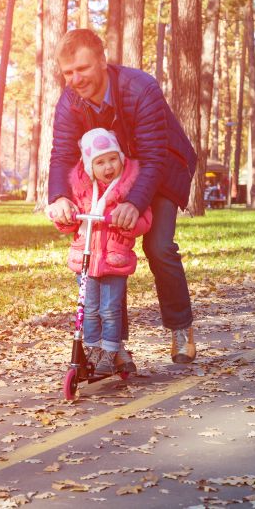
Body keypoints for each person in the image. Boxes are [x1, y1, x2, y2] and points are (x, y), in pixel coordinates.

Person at [47, 29, 198, 364]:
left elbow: (154, 157)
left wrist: (134, 203)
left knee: (157, 246)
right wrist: (59, 196)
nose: (75, 79)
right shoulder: (69, 102)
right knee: (107, 250)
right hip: (110, 175)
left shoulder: (140, 88)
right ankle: (115, 348)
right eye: (68, 72)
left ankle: (180, 327)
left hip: (159, 169)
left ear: (102, 61)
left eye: (82, 69)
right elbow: (61, 155)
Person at [47, 128, 151, 375]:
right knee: (89, 309)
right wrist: (66, 216)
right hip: (85, 258)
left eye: (112, 159)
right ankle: (93, 348)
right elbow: (68, 223)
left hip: (114, 260)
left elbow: (145, 220)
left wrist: (125, 222)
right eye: (100, 162)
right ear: (89, 166)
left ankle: (111, 350)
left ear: (121, 159)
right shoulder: (81, 190)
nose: (108, 167)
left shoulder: (127, 190)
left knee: (110, 310)